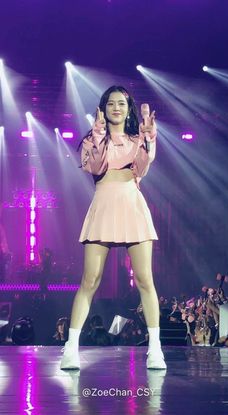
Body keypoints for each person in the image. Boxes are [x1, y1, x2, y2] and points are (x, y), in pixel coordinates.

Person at [60, 85, 166, 370]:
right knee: (90, 280)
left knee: (145, 280)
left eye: (121, 103)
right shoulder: (92, 139)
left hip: (132, 206)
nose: (116, 107)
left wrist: (149, 139)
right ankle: (71, 348)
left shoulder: (136, 139)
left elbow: (142, 170)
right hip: (104, 207)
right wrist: (96, 135)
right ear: (103, 109)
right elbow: (95, 168)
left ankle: (155, 349)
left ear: (128, 108)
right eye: (111, 103)